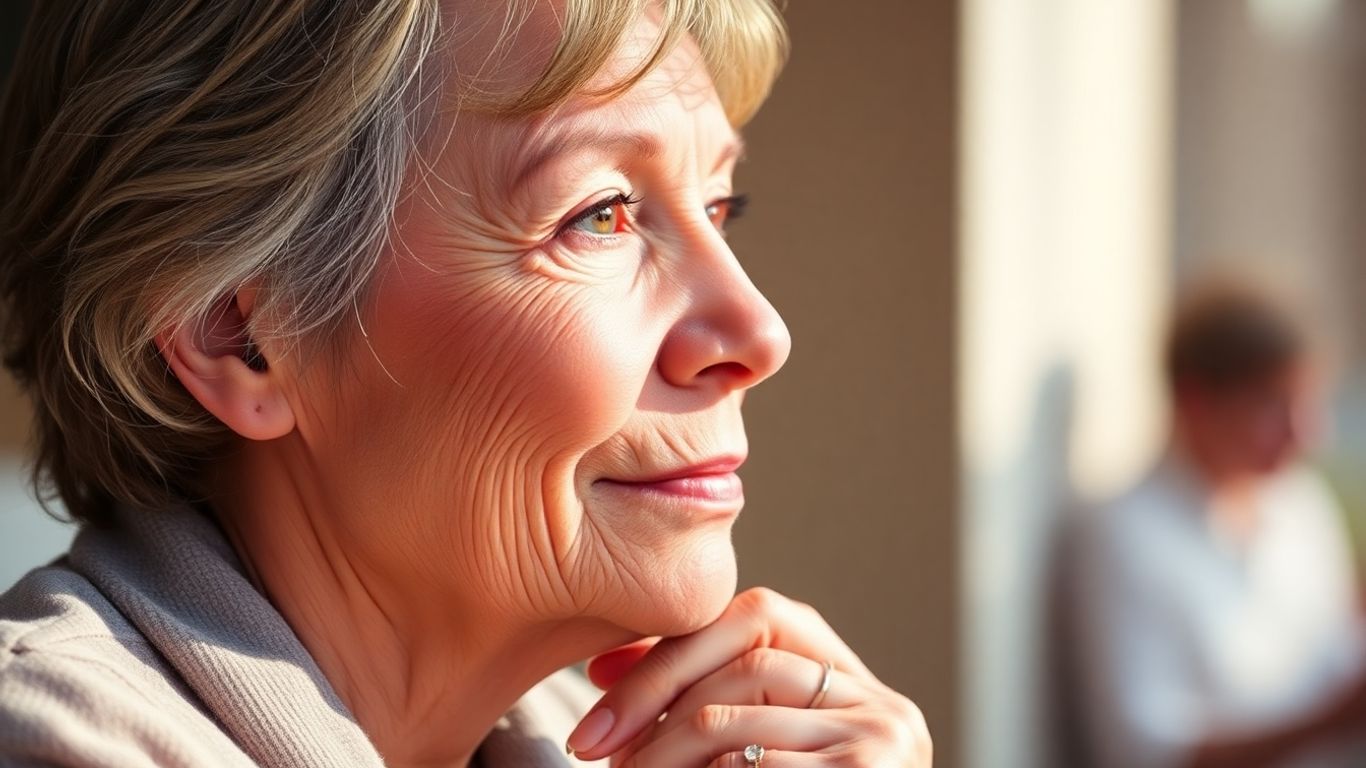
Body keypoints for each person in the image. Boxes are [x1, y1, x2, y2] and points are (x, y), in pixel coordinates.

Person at [0, 1, 932, 766]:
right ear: (238, 334)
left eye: (719, 207)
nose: (758, 334)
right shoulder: (59, 738)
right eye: (598, 215)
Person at [1065, 281, 1366, 768]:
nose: (1305, 434)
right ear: (1196, 400)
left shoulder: (1302, 506)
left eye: (1310, 404)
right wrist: (1329, 722)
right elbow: (1142, 753)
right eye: (1274, 405)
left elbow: (1337, 659)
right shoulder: (1121, 535)